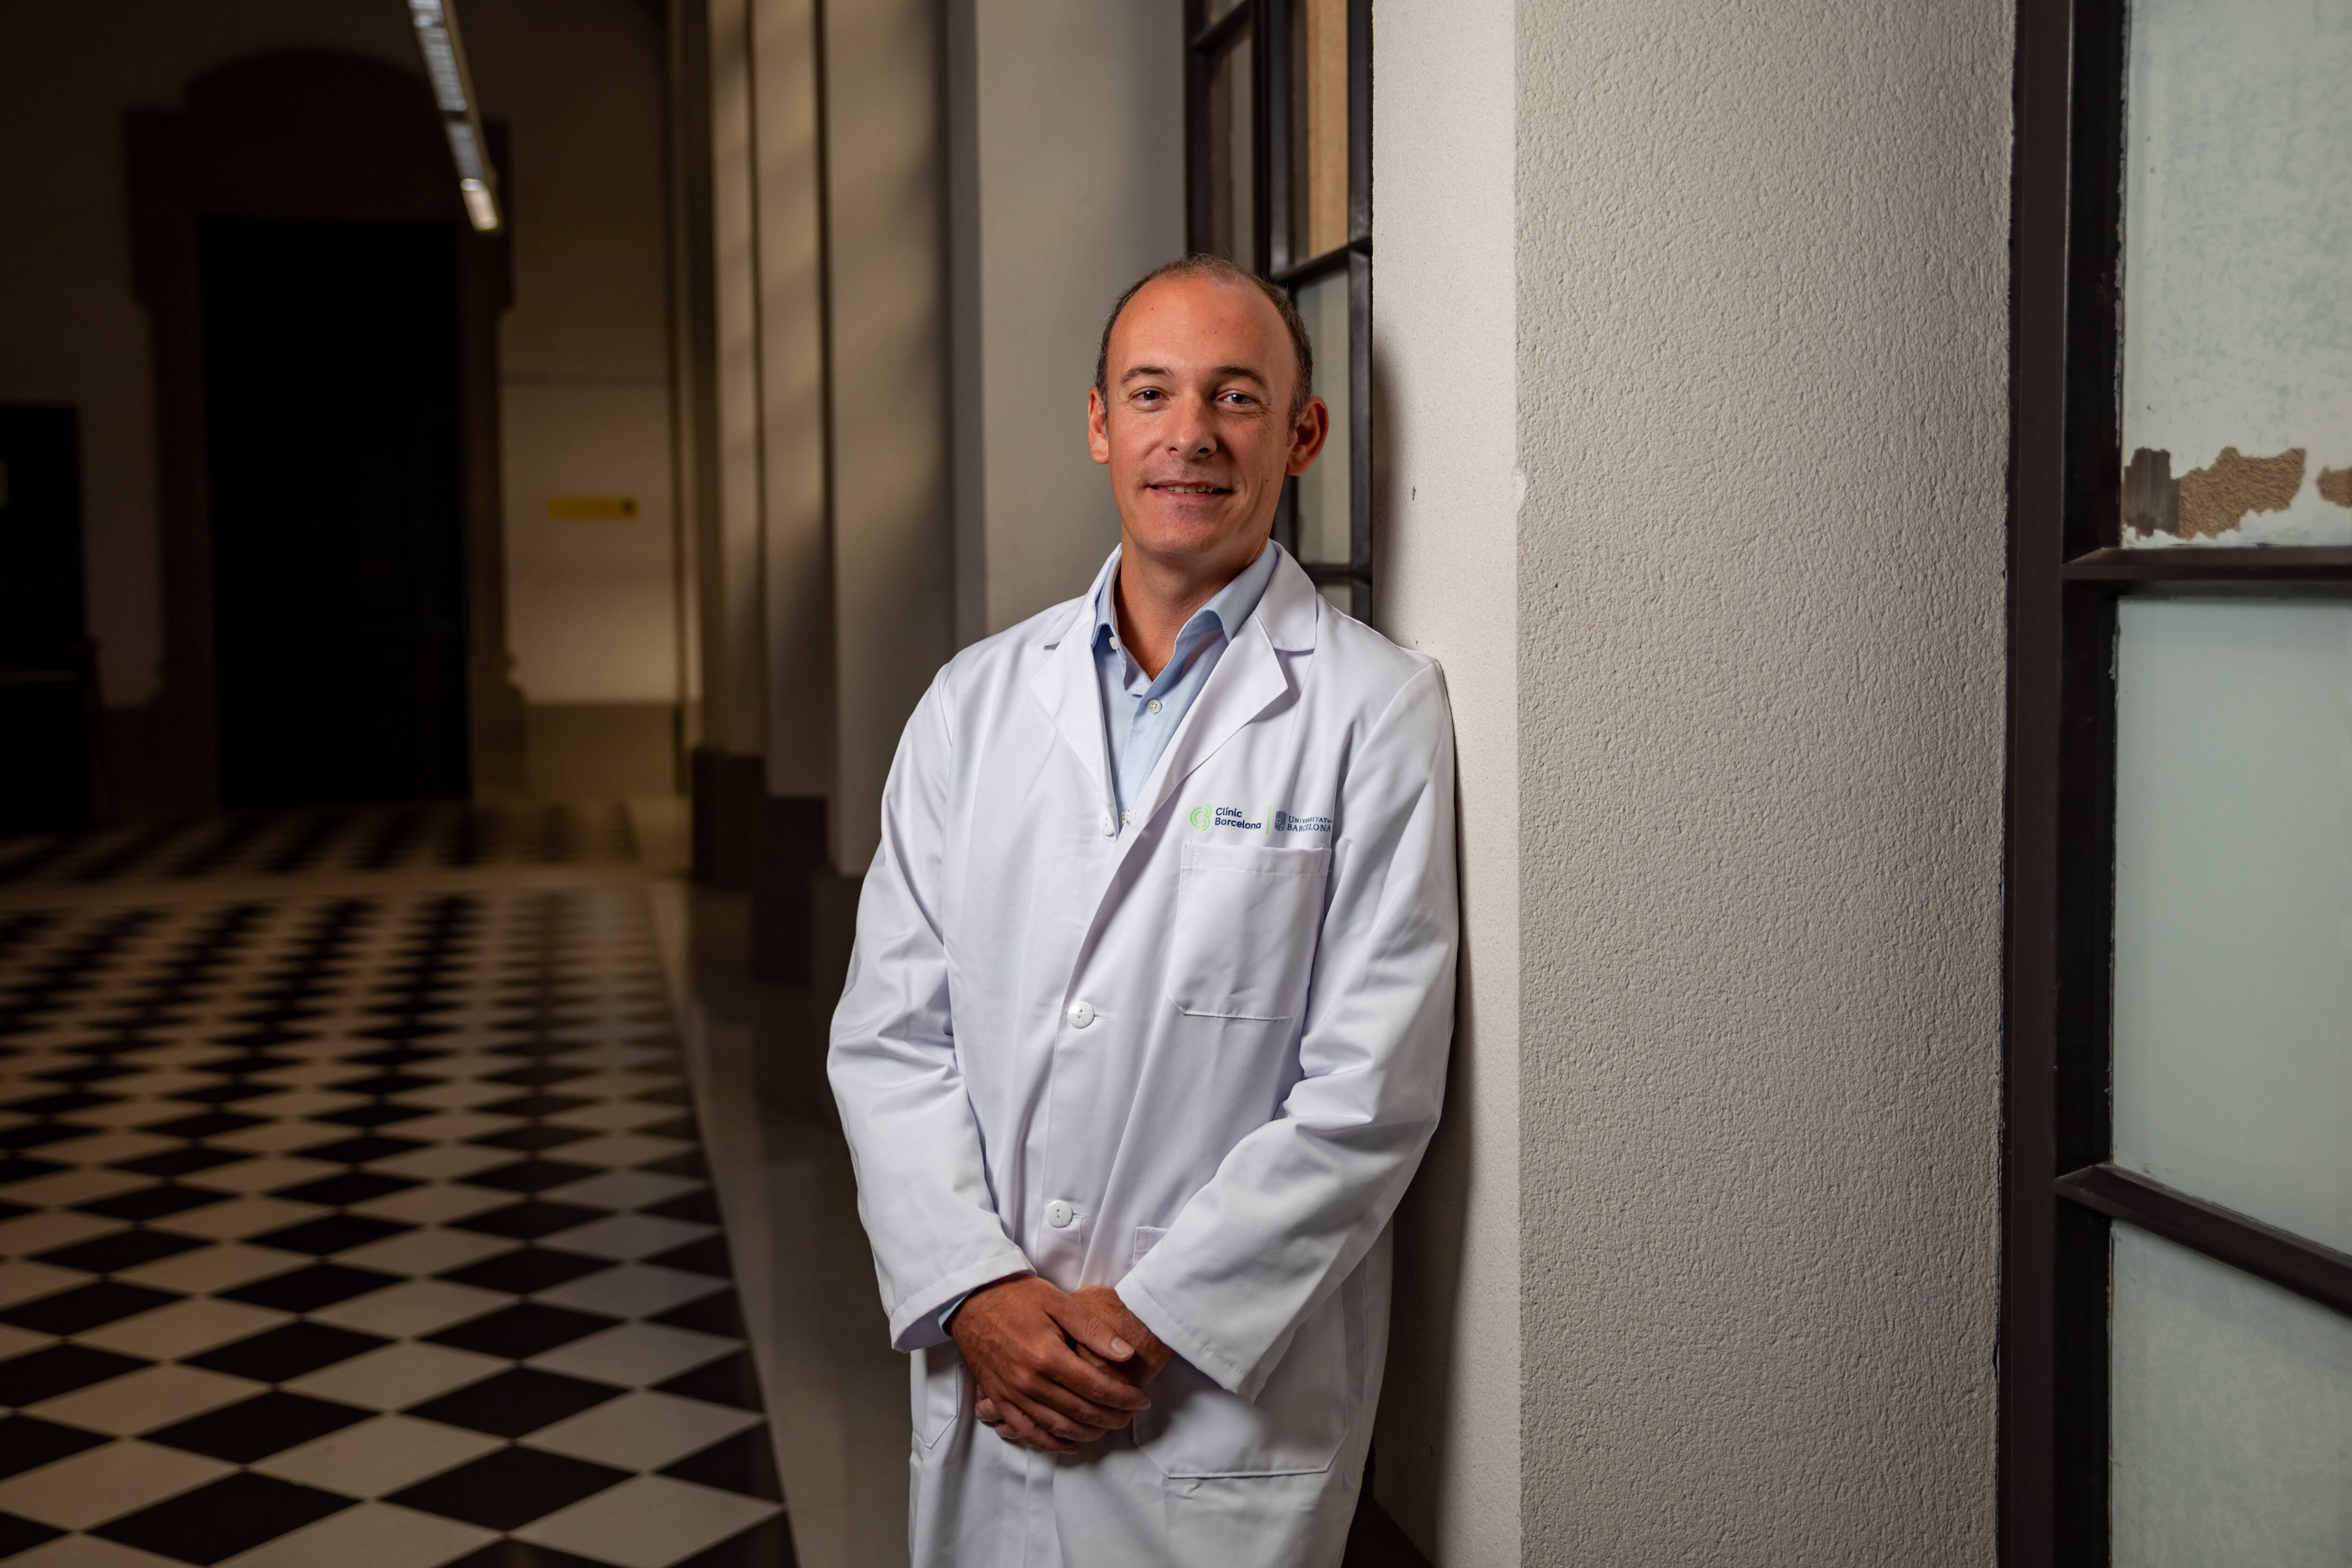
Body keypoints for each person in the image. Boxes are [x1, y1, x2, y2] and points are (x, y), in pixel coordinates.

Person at [828, 253, 1459, 1568]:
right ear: (1101, 424)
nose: (1191, 437)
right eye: (1153, 393)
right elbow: (890, 1039)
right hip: (987, 1368)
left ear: (1302, 434)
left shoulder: (1372, 713)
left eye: (1237, 398)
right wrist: (979, 1292)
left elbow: (1368, 1095)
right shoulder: (975, 704)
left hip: (1208, 1397)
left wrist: (1147, 1324)